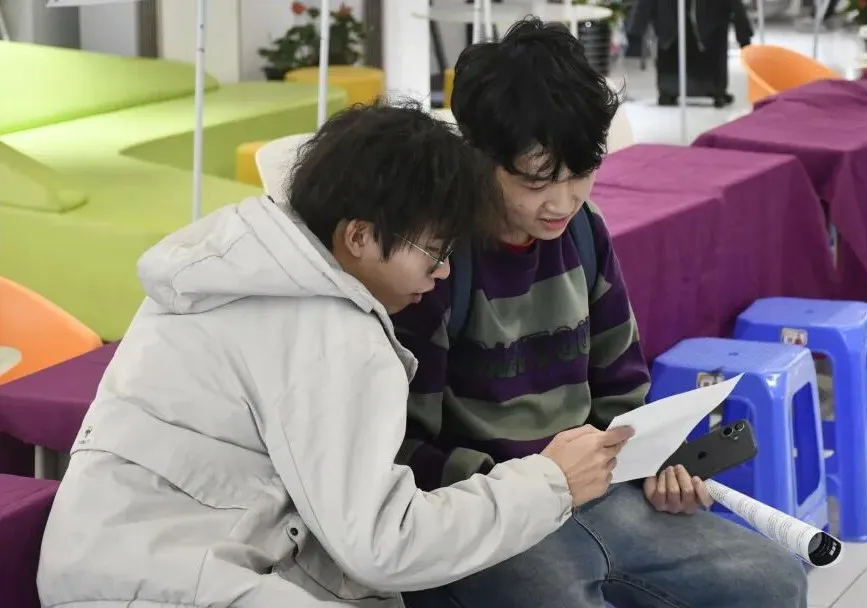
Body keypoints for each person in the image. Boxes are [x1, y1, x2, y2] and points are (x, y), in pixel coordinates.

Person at [36, 102, 635, 608]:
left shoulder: (245, 261)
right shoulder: (330, 332)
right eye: (434, 251)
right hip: (169, 586)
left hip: (117, 568)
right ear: (359, 236)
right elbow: (384, 544)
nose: (443, 271)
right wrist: (549, 482)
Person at [394, 19, 809, 608]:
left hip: (596, 493)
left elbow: (620, 389)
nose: (562, 201)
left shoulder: (583, 233)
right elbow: (402, 450)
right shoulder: (434, 264)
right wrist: (533, 482)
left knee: (774, 581)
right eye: (537, 182)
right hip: (492, 513)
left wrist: (652, 464)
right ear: (479, 157)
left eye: (581, 174)